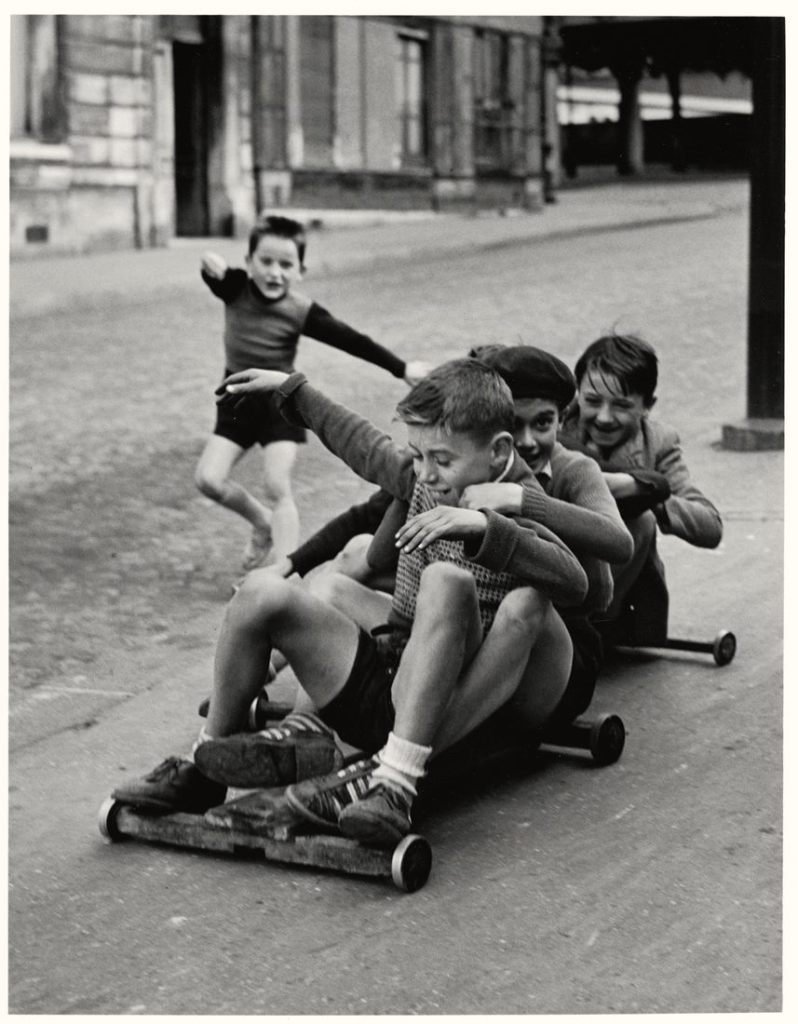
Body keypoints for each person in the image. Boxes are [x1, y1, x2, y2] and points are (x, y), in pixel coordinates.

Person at [113, 359, 588, 845]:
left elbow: (574, 581)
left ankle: (394, 787)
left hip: (454, 699)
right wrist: (294, 392)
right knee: (261, 592)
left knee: (447, 579)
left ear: (498, 451)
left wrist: (488, 527)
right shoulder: (423, 475)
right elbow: (360, 443)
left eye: (442, 461)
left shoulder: (517, 498)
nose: (426, 475)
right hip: (391, 674)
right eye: (418, 457)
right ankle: (204, 767)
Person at [259, 344, 633, 729]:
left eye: (542, 423)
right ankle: (298, 713)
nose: (526, 441)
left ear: (562, 421)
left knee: (520, 602)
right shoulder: (448, 466)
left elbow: (613, 553)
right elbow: (372, 504)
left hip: (548, 639)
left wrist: (520, 500)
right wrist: (295, 561)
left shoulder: (571, 470)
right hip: (476, 618)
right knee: (355, 555)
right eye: (513, 424)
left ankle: (418, 741)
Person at [196, 213, 427, 571]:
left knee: (277, 485)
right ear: (248, 263)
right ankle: (261, 522)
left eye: (286, 265)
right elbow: (217, 278)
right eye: (266, 262)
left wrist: (401, 368)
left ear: (300, 270)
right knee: (208, 479)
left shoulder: (301, 310)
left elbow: (351, 339)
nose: (275, 272)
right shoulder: (236, 288)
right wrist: (209, 269)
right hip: (236, 403)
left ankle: (281, 574)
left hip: (280, 403)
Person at [560, 332, 723, 644]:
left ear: (648, 406)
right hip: (561, 561)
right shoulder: (553, 424)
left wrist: (644, 494)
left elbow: (710, 526)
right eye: (592, 401)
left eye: (622, 405)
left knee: (641, 519)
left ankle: (590, 628)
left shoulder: (660, 442)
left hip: (617, 591)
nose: (605, 417)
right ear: (577, 393)